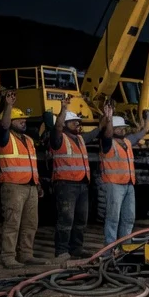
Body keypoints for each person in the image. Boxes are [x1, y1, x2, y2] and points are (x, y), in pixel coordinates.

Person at [0, 91, 44, 268]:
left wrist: (37, 184)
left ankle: (26, 254)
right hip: (13, 186)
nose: (24, 121)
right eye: (19, 119)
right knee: (12, 223)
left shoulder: (28, 140)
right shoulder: (4, 138)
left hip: (30, 186)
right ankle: (8, 256)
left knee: (31, 223)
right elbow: (4, 126)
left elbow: (32, 164)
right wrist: (8, 106)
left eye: (24, 119)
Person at [98, 103, 148, 246]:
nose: (121, 130)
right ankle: (110, 249)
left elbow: (141, 133)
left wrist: (147, 119)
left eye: (122, 128)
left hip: (128, 184)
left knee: (128, 218)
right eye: (118, 128)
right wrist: (108, 119)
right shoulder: (107, 143)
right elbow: (107, 134)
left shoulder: (127, 141)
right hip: (114, 185)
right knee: (113, 218)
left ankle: (125, 247)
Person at [48, 108, 91, 261]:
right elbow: (57, 127)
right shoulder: (59, 138)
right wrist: (63, 109)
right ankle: (61, 251)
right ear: (65, 124)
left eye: (78, 122)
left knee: (80, 219)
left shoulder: (79, 139)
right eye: (74, 122)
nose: (77, 124)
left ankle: (76, 249)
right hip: (66, 184)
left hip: (82, 183)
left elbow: (95, 133)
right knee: (66, 219)